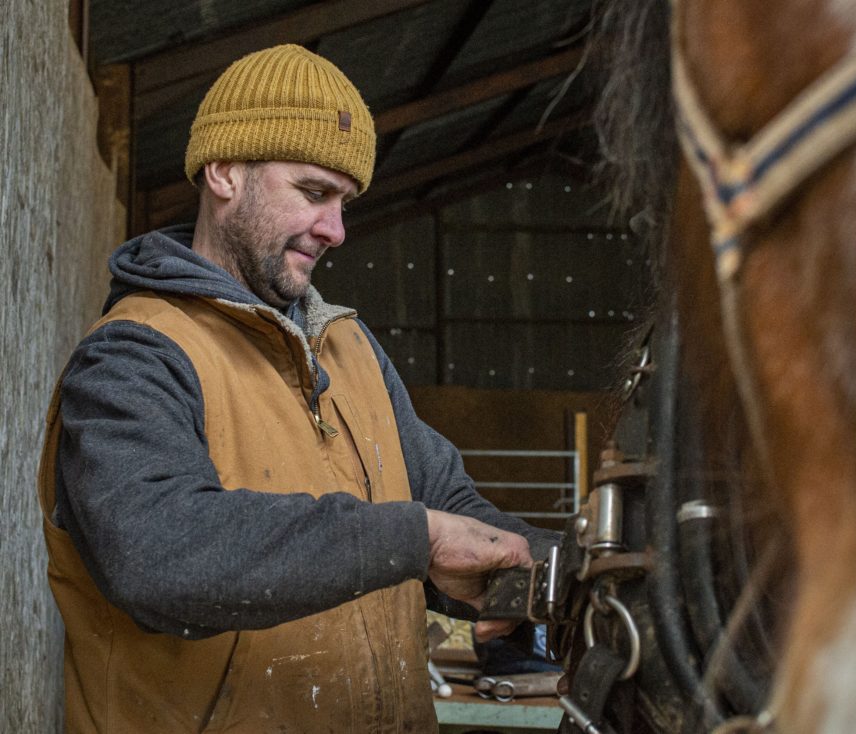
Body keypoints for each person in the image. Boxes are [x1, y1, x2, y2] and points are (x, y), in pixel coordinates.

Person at [38, 44, 556, 733]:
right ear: (224, 172)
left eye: (344, 202)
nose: (336, 230)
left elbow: (448, 503)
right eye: (314, 192)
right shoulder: (133, 355)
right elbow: (158, 556)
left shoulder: (349, 347)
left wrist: (571, 569)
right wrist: (416, 540)